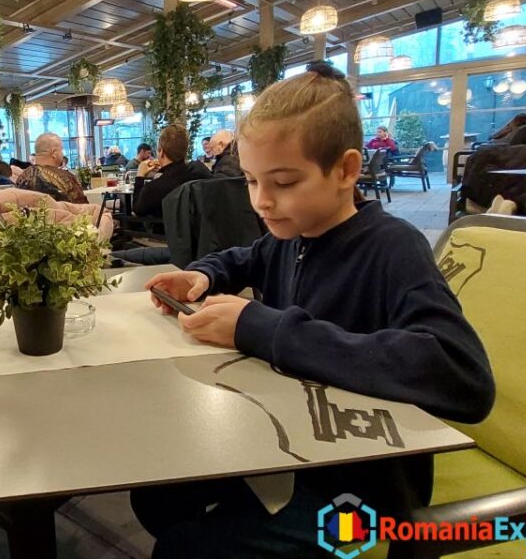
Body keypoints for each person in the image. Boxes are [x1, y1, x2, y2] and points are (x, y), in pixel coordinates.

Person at [132, 61, 494, 558]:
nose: (263, 202)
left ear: (346, 169)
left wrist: (263, 328)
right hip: (286, 450)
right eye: (253, 182)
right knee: (155, 496)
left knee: (186, 548)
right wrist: (203, 275)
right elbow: (244, 258)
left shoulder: (394, 247)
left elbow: (464, 376)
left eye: (283, 182)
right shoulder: (291, 235)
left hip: (361, 499)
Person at [132, 125, 212, 218]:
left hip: (166, 231)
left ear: (161, 151)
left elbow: (137, 210)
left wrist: (140, 176)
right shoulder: (200, 170)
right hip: (202, 229)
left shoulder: (154, 188)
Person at [15, 132, 88, 204]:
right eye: (61, 150)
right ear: (54, 153)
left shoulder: (22, 178)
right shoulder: (66, 178)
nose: (63, 154)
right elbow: (83, 210)